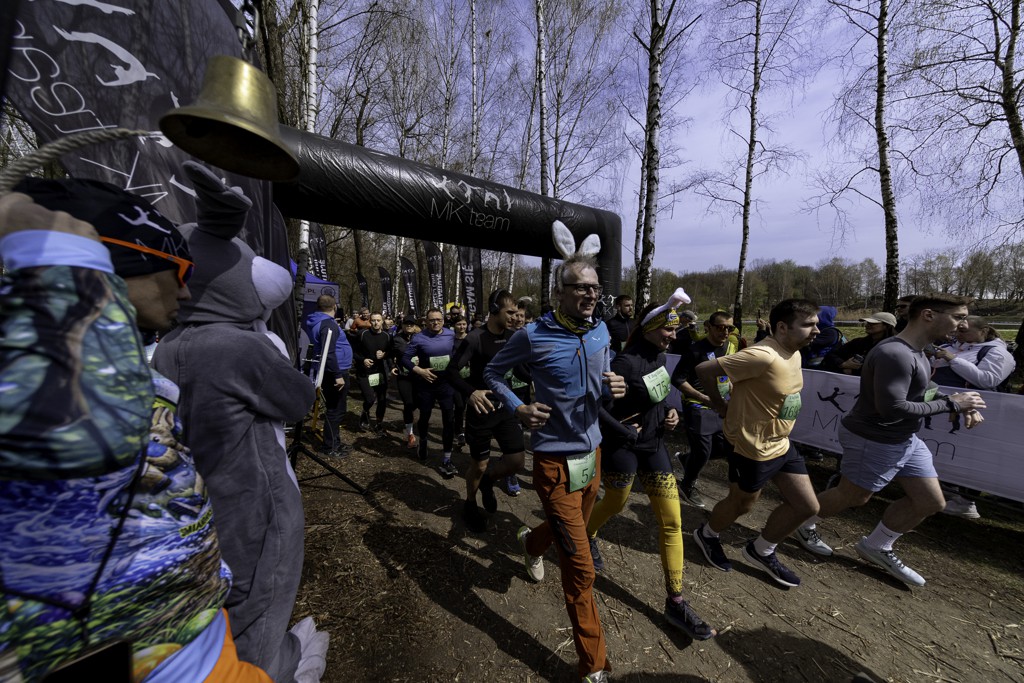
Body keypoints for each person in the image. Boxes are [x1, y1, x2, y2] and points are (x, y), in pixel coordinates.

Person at [0, 183, 276, 682]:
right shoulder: (41, 353)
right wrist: (64, 259)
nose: (186, 291)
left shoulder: (130, 353)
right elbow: (85, 429)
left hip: (185, 629)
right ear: (114, 263)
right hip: (145, 657)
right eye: (180, 270)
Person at [150, 162, 319, 680]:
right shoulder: (238, 347)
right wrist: (276, 353)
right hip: (252, 505)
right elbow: (299, 401)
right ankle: (273, 667)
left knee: (217, 604)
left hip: (194, 508)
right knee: (261, 597)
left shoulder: (165, 347)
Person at [485, 244, 626, 683]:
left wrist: (614, 386)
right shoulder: (533, 335)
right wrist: (517, 407)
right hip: (553, 462)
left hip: (593, 455)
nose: (590, 294)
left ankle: (531, 543)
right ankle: (593, 665)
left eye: (595, 288)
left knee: (571, 529)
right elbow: (492, 373)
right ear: (558, 293)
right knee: (581, 567)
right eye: (580, 287)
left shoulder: (601, 331)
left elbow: (604, 378)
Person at [794, 294, 988, 586]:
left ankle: (877, 545)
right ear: (928, 315)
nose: (962, 325)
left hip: (904, 438)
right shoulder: (895, 353)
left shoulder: (918, 350)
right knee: (853, 496)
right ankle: (799, 523)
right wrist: (951, 404)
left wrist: (959, 403)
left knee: (930, 501)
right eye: (958, 317)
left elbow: (923, 388)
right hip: (873, 438)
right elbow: (892, 408)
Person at [587, 292, 715, 640]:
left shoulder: (659, 357)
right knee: (616, 502)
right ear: (649, 328)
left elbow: (657, 397)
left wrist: (670, 412)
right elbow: (597, 409)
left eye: (675, 330)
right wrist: (625, 432)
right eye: (667, 329)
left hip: (654, 446)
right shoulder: (624, 363)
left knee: (672, 521)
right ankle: (588, 533)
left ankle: (676, 600)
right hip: (623, 447)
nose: (673, 335)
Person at [691, 299, 823, 588]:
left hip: (782, 443)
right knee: (742, 505)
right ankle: (707, 534)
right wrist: (718, 404)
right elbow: (704, 370)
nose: (816, 330)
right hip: (752, 447)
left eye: (816, 323)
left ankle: (761, 550)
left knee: (806, 506)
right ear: (782, 327)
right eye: (808, 324)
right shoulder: (762, 355)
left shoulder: (795, 351)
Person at [450, 290, 531, 532]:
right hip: (481, 410)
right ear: (494, 310)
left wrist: (540, 378)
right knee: (479, 464)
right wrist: (471, 393)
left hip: (506, 409)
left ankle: (488, 481)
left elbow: (519, 370)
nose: (515, 317)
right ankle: (470, 503)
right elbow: (451, 372)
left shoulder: (513, 337)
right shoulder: (475, 338)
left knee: (516, 461)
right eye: (510, 312)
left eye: (516, 312)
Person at [929, 315, 1013, 518]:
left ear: (982, 331)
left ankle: (966, 502)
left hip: (975, 413)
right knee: (944, 448)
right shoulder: (952, 346)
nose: (957, 333)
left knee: (969, 454)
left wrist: (952, 359)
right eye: (956, 329)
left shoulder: (996, 352)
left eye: (963, 330)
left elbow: (988, 380)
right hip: (944, 409)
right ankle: (943, 490)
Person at [670, 310, 739, 508]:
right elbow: (677, 379)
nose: (725, 332)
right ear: (708, 327)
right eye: (721, 327)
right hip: (698, 405)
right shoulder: (695, 350)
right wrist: (703, 397)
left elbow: (729, 375)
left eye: (730, 328)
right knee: (702, 451)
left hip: (721, 405)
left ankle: (686, 459)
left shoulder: (731, 347)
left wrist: (733, 392)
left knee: (724, 448)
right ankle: (687, 485)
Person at [403, 307, 459, 477]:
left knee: (449, 420)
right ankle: (423, 440)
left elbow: (459, 353)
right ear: (426, 322)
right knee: (425, 416)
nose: (436, 322)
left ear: (443, 320)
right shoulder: (419, 338)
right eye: (432, 320)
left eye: (439, 319)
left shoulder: (451, 335)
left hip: (445, 385)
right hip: (426, 384)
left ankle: (447, 458)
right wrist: (419, 371)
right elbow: (405, 358)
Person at [305, 295, 354, 457]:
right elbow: (329, 352)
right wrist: (337, 375)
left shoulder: (319, 321)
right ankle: (330, 447)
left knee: (337, 408)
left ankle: (335, 442)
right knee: (336, 410)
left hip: (333, 370)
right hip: (334, 372)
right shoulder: (328, 325)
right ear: (334, 307)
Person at [354, 312, 392, 436]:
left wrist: (385, 355)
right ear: (370, 321)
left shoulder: (387, 336)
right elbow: (353, 352)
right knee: (370, 399)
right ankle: (365, 413)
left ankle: (379, 424)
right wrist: (363, 360)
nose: (376, 323)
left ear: (382, 321)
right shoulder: (362, 334)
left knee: (382, 400)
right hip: (364, 372)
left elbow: (391, 353)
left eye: (378, 320)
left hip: (379, 372)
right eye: (374, 320)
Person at [822, 312, 897, 375]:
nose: (867, 325)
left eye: (872, 323)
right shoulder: (858, 342)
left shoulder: (893, 347)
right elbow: (831, 355)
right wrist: (843, 364)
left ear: (886, 326)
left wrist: (853, 371)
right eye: (867, 323)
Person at [390, 316, 421, 448]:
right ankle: (410, 434)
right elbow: (390, 354)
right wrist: (392, 366)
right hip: (404, 375)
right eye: (406, 324)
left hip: (419, 376)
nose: (409, 326)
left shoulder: (420, 337)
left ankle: (409, 416)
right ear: (402, 326)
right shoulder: (396, 339)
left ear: (415, 326)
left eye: (411, 324)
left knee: (418, 402)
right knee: (408, 403)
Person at [451, 316, 470, 447]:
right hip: (456, 377)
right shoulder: (451, 340)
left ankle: (469, 431)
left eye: (464, 324)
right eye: (459, 324)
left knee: (470, 406)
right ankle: (459, 432)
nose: (462, 327)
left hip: (470, 377)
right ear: (454, 326)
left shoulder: (471, 339)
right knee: (459, 405)